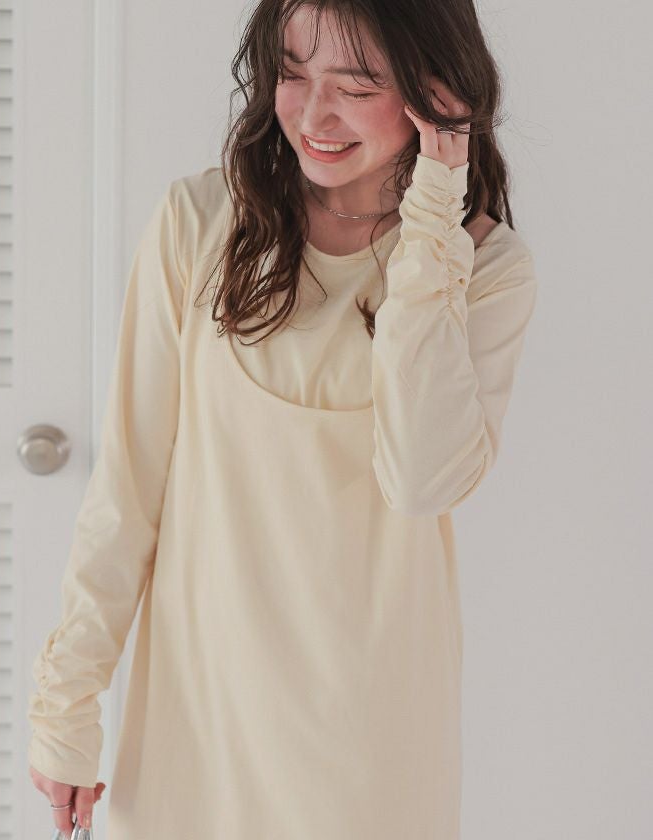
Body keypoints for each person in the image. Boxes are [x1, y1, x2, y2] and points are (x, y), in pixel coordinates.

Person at [27, 1, 538, 838]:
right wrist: (67, 705)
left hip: (367, 749)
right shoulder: (200, 224)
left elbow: (420, 482)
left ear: (436, 92)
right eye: (293, 74)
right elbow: (127, 491)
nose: (313, 114)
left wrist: (434, 211)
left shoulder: (482, 267)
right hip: (197, 725)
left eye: (356, 86)